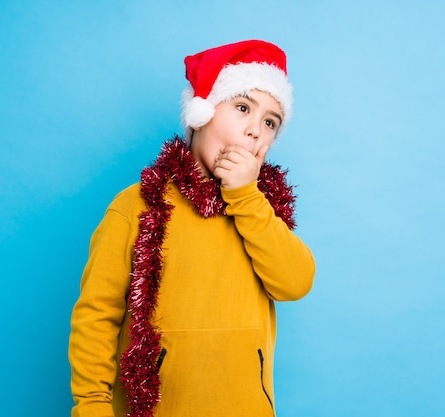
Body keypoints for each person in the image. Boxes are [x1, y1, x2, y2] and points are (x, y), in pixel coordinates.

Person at [69, 39, 316, 417]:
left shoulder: (262, 214)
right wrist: (92, 407)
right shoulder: (135, 206)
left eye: (270, 122)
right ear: (202, 113)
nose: (255, 130)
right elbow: (96, 318)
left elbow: (295, 282)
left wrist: (247, 198)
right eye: (242, 107)